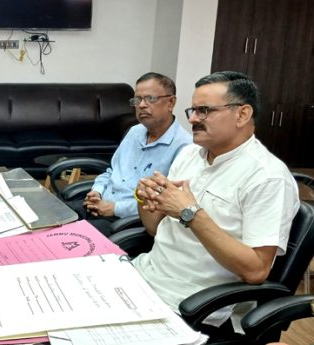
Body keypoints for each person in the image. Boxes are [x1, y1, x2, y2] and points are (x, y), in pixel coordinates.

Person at [133, 71, 300, 333]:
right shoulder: (189, 154)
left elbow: (256, 271)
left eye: (204, 111)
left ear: (242, 115)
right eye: (192, 110)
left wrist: (190, 213)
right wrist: (145, 198)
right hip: (144, 277)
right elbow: (155, 228)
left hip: (193, 307)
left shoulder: (267, 177)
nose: (192, 119)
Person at [80, 72, 192, 236]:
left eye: (150, 99)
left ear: (171, 102)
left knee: (69, 242)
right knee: (53, 217)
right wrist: (96, 191)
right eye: (137, 100)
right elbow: (112, 171)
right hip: (100, 204)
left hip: (125, 221)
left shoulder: (185, 147)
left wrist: (115, 208)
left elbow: (165, 204)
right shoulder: (134, 132)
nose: (142, 105)